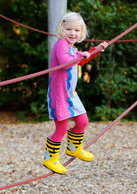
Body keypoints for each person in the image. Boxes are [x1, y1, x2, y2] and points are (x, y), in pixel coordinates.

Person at [43, 12, 108, 174]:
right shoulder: (61, 44)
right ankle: (50, 158)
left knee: (82, 121)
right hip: (59, 95)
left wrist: (96, 50)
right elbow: (66, 63)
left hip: (70, 94)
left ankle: (73, 147)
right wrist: (81, 54)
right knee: (61, 128)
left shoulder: (71, 47)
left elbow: (81, 59)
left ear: (82, 32)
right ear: (62, 29)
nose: (72, 33)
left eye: (77, 30)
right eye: (68, 29)